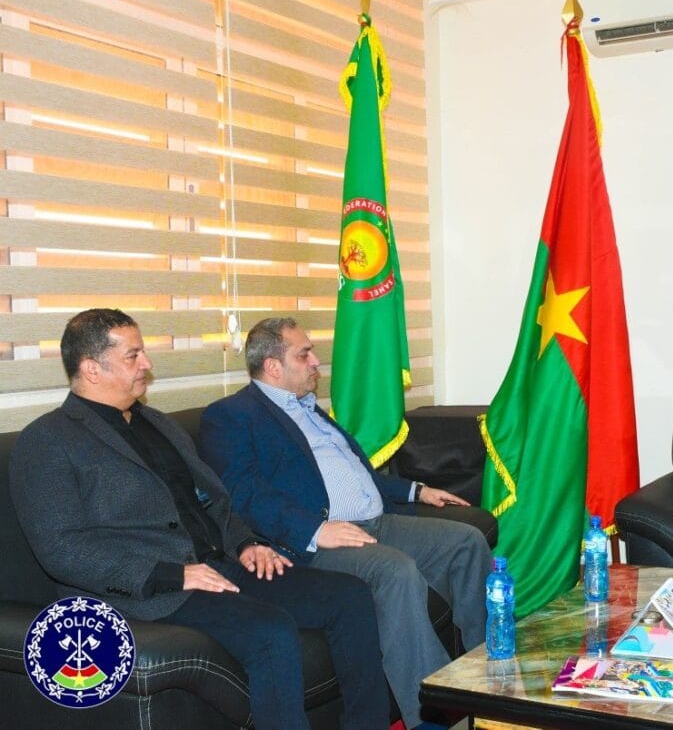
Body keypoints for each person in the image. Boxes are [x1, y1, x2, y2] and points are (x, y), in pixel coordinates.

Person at [9, 309, 389, 730]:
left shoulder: (157, 423)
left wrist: (246, 543)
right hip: (152, 591)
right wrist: (174, 574)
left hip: (221, 566)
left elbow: (215, 500)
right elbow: (62, 549)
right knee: (271, 631)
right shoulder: (47, 440)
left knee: (349, 596)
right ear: (91, 369)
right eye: (133, 356)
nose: (147, 364)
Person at [198, 317, 491, 730]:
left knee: (467, 541)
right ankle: (433, 713)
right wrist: (314, 531)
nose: (316, 362)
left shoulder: (309, 409)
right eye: (304, 354)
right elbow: (241, 492)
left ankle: (488, 676)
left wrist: (417, 491)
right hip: (317, 541)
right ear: (273, 366)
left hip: (377, 522)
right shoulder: (231, 416)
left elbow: (356, 474)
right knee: (394, 571)